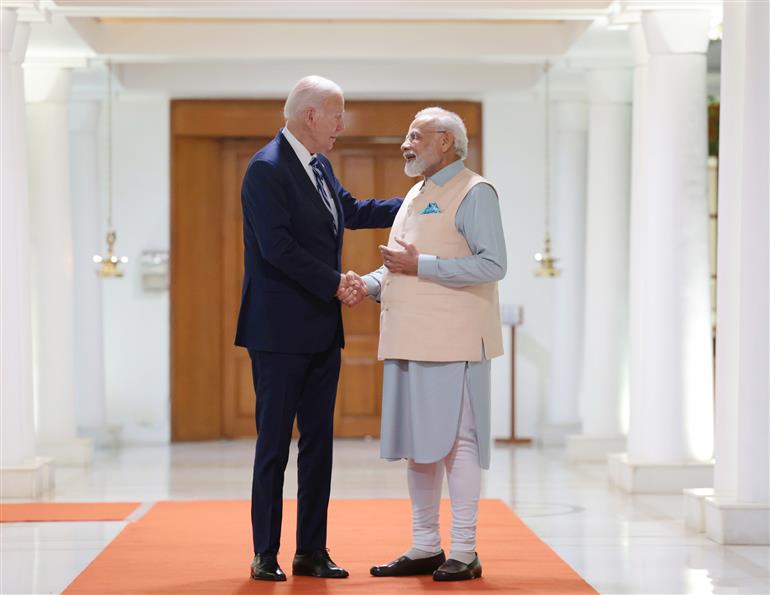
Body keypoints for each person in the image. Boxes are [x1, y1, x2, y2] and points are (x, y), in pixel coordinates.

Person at [234, 75, 401, 582]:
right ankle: (266, 553)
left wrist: (413, 206)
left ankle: (311, 551)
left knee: (318, 446)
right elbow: (277, 249)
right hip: (279, 334)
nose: (341, 125)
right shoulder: (266, 170)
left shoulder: (320, 166)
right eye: (336, 114)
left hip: (322, 333)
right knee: (273, 448)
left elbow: (350, 212)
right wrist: (337, 284)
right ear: (311, 115)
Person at [352, 106, 506, 581]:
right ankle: (425, 546)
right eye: (407, 135)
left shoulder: (476, 191)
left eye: (415, 135)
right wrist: (369, 283)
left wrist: (424, 267)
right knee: (420, 446)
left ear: (445, 142)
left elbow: (492, 265)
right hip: (407, 338)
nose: (406, 143)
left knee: (457, 444)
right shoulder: (416, 193)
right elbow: (403, 262)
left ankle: (464, 550)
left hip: (453, 341)